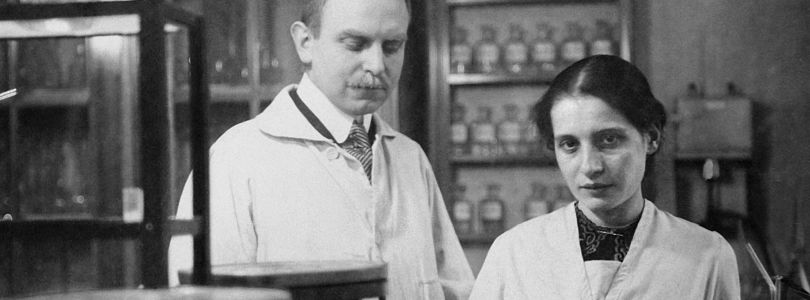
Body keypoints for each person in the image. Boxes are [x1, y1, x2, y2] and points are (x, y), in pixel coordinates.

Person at [169, 0, 474, 299]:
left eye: (392, 46)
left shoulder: (410, 159)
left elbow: (456, 291)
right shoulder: (235, 161)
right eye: (356, 44)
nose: (377, 65)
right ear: (305, 42)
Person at [469, 55, 740, 299]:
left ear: (652, 138)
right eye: (569, 145)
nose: (590, 166)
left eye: (609, 140)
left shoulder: (707, 256)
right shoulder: (514, 253)